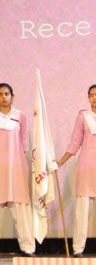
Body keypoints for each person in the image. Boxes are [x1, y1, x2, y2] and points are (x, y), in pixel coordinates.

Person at [0, 83, 35, 259]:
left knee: (20, 208)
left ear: (12, 96)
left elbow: (24, 145)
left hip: (16, 166)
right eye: (0, 94)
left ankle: (27, 247)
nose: (4, 97)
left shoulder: (21, 117)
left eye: (6, 94)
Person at [55, 84, 96, 258]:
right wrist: (61, 161)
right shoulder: (83, 117)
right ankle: (78, 248)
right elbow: (75, 143)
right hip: (86, 168)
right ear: (88, 97)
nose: (95, 97)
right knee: (82, 211)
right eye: (92, 95)